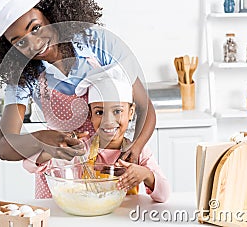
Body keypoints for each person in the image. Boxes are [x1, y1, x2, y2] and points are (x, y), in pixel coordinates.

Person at [0, 0, 156, 172]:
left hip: (109, 166)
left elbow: (145, 106)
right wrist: (41, 138)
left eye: (35, 28)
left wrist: (136, 147)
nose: (34, 44)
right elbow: (4, 147)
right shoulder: (24, 76)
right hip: (62, 175)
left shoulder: (97, 43)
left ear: (50, 15)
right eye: (19, 42)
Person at [23, 65, 169, 202]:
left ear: (131, 112)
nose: (108, 120)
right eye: (99, 112)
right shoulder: (81, 148)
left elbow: (164, 194)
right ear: (90, 115)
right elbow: (29, 164)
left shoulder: (139, 153)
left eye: (117, 111)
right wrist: (53, 150)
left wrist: (146, 175)